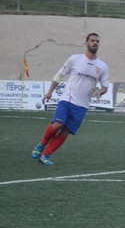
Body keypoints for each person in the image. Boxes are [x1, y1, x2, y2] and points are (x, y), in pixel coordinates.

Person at [31, 33, 109, 166]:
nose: (95, 43)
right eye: (92, 40)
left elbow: (105, 87)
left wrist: (100, 91)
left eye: (97, 41)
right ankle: (41, 145)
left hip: (83, 106)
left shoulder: (102, 66)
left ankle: (45, 155)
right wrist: (49, 92)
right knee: (57, 125)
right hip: (67, 100)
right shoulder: (75, 59)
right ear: (86, 43)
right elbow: (59, 75)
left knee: (65, 131)